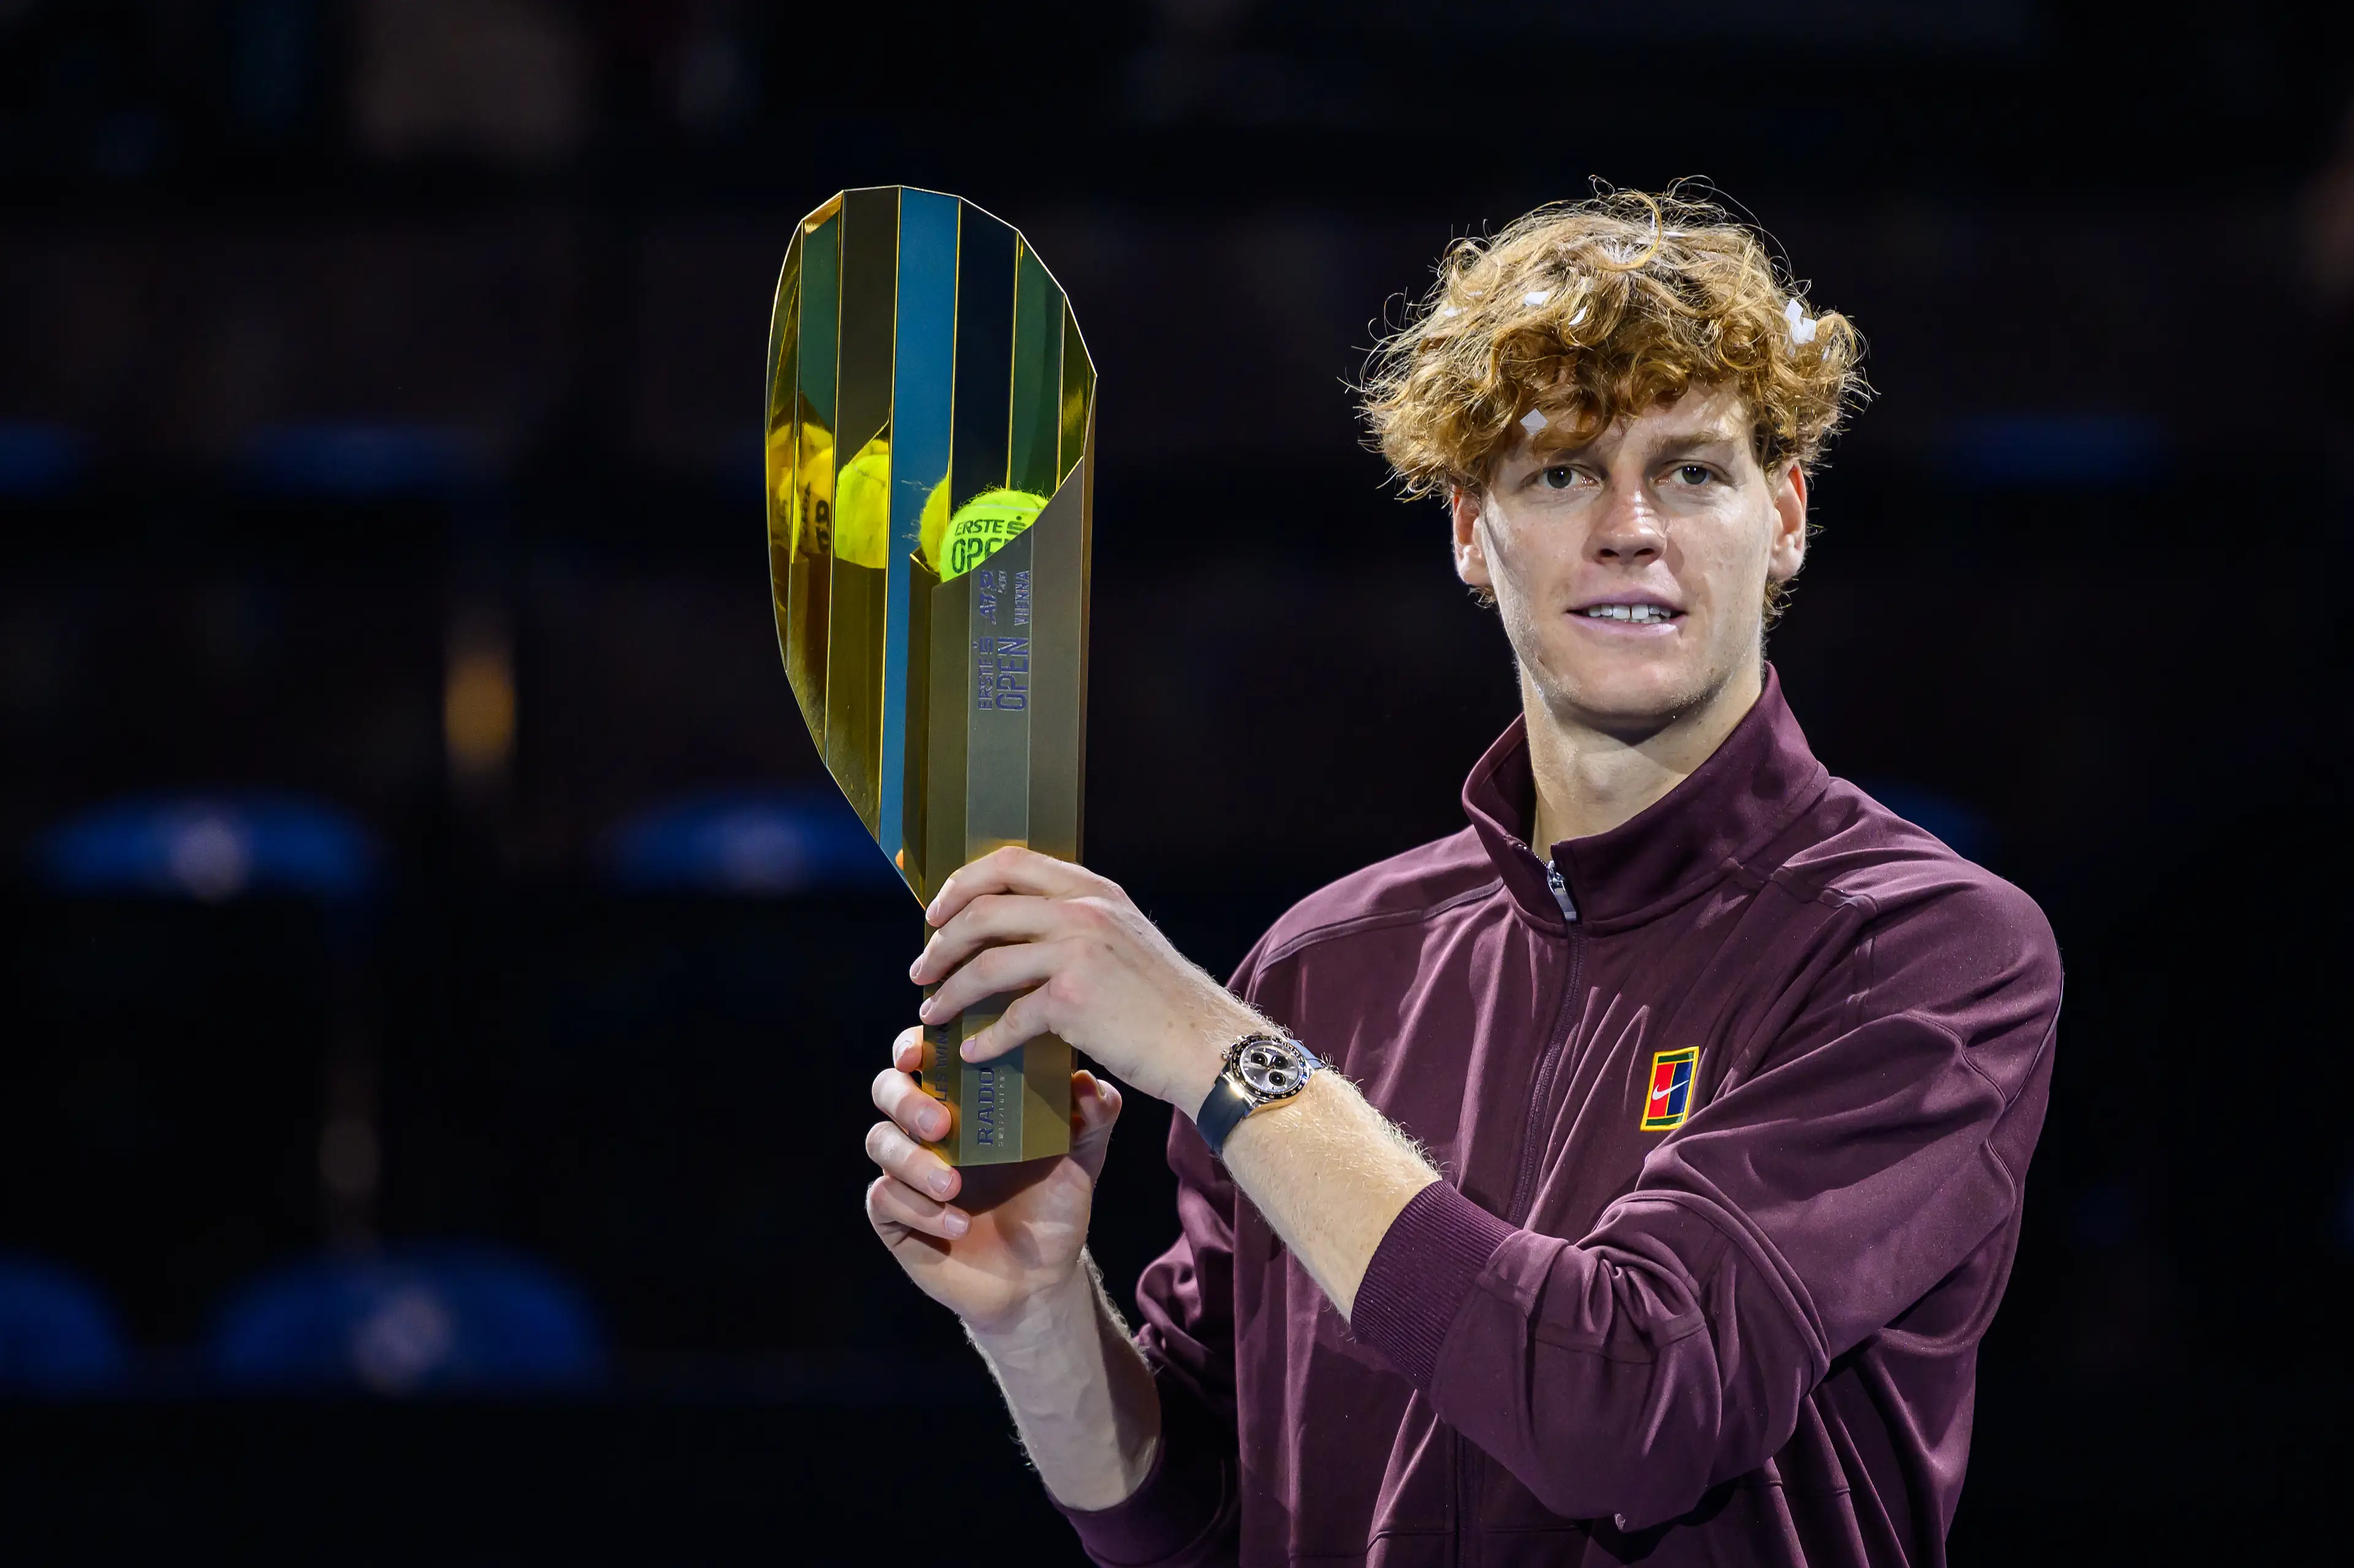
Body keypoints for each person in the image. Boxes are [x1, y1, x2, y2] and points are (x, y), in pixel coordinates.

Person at [863, 189, 2060, 1567]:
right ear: (1467, 532)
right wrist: (1039, 1320)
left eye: (1692, 470)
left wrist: (1217, 1051)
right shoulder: (1326, 966)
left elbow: (1628, 1404)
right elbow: (1191, 1524)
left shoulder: (1925, 952)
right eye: (1560, 473)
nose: (1630, 527)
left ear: (1784, 517)